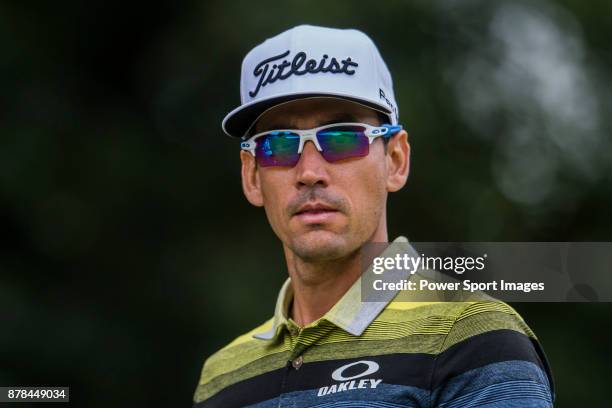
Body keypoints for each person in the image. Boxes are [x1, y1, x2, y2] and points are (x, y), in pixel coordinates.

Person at [193, 25, 554, 407]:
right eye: (278, 145)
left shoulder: (474, 340)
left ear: (395, 161)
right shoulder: (222, 376)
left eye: (342, 138)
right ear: (251, 176)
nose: (309, 171)